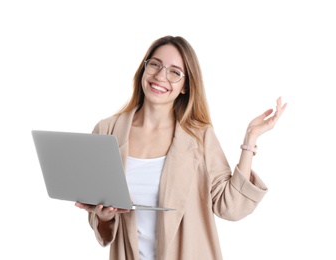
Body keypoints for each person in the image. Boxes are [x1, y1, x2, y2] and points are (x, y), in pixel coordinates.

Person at [75, 35, 287, 260]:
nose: (160, 76)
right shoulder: (107, 131)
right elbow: (100, 218)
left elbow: (230, 206)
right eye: (155, 64)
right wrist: (104, 217)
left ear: (185, 86)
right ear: (143, 70)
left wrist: (250, 138)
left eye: (175, 72)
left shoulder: (198, 136)